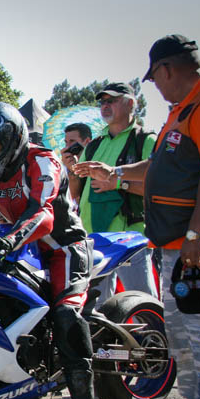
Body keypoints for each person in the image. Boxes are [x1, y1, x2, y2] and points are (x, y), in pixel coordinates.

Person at [76, 34, 200, 399]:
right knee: (182, 334)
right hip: (176, 245)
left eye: (156, 78)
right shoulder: (181, 112)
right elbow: (159, 169)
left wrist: (197, 233)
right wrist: (116, 174)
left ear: (166, 69)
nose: (156, 86)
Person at [0, 100, 97, 399]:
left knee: (66, 315)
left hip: (63, 250)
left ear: (11, 141)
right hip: (26, 251)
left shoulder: (43, 161)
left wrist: (10, 240)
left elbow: (43, 212)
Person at [70, 83, 158, 304]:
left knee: (143, 306)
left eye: (112, 100)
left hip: (130, 239)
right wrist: (71, 170)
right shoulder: (93, 145)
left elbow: (156, 188)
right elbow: (76, 193)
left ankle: (154, 341)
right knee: (96, 310)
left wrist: (117, 183)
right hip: (93, 239)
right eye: (102, 102)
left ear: (131, 103)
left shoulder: (145, 139)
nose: (105, 106)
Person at [59, 123, 92, 204]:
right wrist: (71, 169)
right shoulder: (66, 164)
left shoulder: (95, 161)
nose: (67, 146)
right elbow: (74, 196)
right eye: (66, 142)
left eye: (72, 141)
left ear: (87, 141)